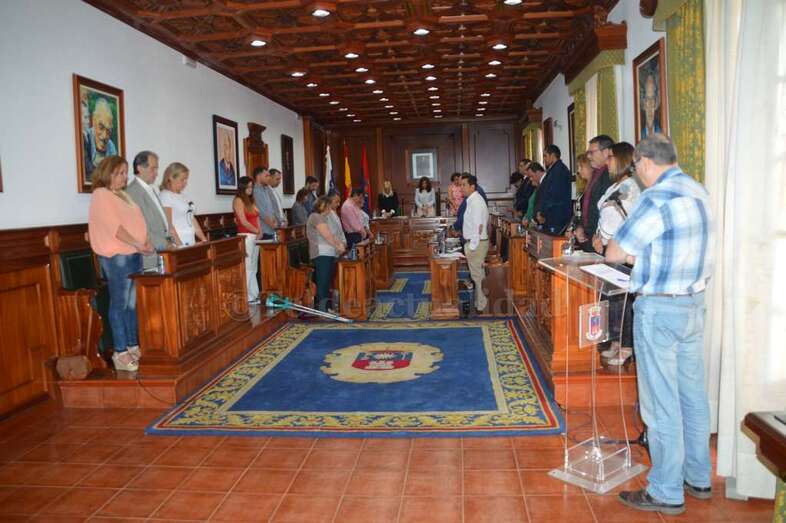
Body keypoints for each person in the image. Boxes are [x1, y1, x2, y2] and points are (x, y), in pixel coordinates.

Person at [606, 134, 714, 517]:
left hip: (660, 310)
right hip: (694, 305)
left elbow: (615, 251)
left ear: (647, 163)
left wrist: (629, 252)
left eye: (636, 168)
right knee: (692, 396)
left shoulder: (656, 198)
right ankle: (698, 477)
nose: (636, 174)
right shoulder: (698, 190)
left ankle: (666, 489)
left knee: (661, 403)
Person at [87, 156, 152, 372]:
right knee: (119, 303)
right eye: (120, 173)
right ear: (108, 173)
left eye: (125, 172)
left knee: (132, 305)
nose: (125, 177)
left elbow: (138, 222)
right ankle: (120, 352)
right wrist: (136, 243)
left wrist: (145, 242)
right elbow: (114, 227)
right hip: (117, 257)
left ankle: (133, 346)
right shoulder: (101, 195)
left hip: (134, 253)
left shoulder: (123, 195)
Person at [126, 151, 176, 271]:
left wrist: (171, 243)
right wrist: (165, 245)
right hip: (150, 258)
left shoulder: (151, 190)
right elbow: (141, 228)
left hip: (163, 255)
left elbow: (164, 224)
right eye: (153, 168)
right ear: (139, 168)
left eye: (157, 169)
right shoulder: (132, 192)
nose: (156, 173)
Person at [307, 196, 347, 312]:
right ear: (322, 206)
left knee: (327, 281)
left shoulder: (322, 218)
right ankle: (322, 309)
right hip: (321, 253)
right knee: (323, 282)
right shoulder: (316, 217)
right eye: (329, 207)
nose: (330, 209)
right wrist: (338, 246)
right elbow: (327, 236)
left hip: (328, 253)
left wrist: (339, 243)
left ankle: (326, 306)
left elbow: (332, 235)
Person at [576, 135, 614, 248]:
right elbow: (587, 208)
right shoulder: (596, 174)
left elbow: (608, 213)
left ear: (606, 152)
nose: (588, 156)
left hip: (601, 240)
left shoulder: (611, 175)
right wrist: (580, 227)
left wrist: (598, 235)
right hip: (588, 237)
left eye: (591, 152)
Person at [460, 174, 489, 313]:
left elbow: (479, 226)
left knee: (477, 276)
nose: (461, 188)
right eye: (460, 185)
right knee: (477, 275)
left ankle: (482, 306)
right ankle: (479, 303)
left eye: (464, 185)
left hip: (476, 243)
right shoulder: (472, 200)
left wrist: (472, 246)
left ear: (472, 186)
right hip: (474, 242)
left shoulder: (476, 201)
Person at [159, 162, 206, 247]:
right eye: (182, 179)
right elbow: (168, 225)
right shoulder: (165, 195)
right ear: (171, 178)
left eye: (186, 179)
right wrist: (180, 246)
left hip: (190, 240)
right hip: (178, 242)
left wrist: (204, 239)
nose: (185, 183)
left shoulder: (184, 197)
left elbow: (192, 219)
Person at [233, 176, 261, 303]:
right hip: (246, 236)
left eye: (252, 187)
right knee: (247, 267)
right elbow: (243, 221)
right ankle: (246, 297)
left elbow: (257, 217)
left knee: (254, 267)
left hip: (255, 237)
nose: (250, 189)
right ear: (242, 187)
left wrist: (260, 231)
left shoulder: (251, 200)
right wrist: (256, 231)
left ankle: (254, 294)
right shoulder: (238, 200)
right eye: (248, 187)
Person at [533, 145, 572, 234]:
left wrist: (542, 213)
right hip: (550, 215)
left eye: (545, 156)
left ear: (553, 155)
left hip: (556, 216)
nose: (544, 159)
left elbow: (553, 195)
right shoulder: (553, 170)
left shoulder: (559, 171)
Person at [83, 98, 118, 181]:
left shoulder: (111, 147)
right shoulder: (85, 139)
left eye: (108, 130)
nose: (105, 135)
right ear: (93, 121)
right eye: (101, 127)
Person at [252, 166, 278, 240]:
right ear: (258, 176)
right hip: (264, 230)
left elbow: (271, 208)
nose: (269, 178)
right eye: (266, 176)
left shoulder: (266, 189)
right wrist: (272, 225)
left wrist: (274, 221)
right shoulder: (256, 191)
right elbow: (261, 212)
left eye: (269, 176)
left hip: (271, 229)